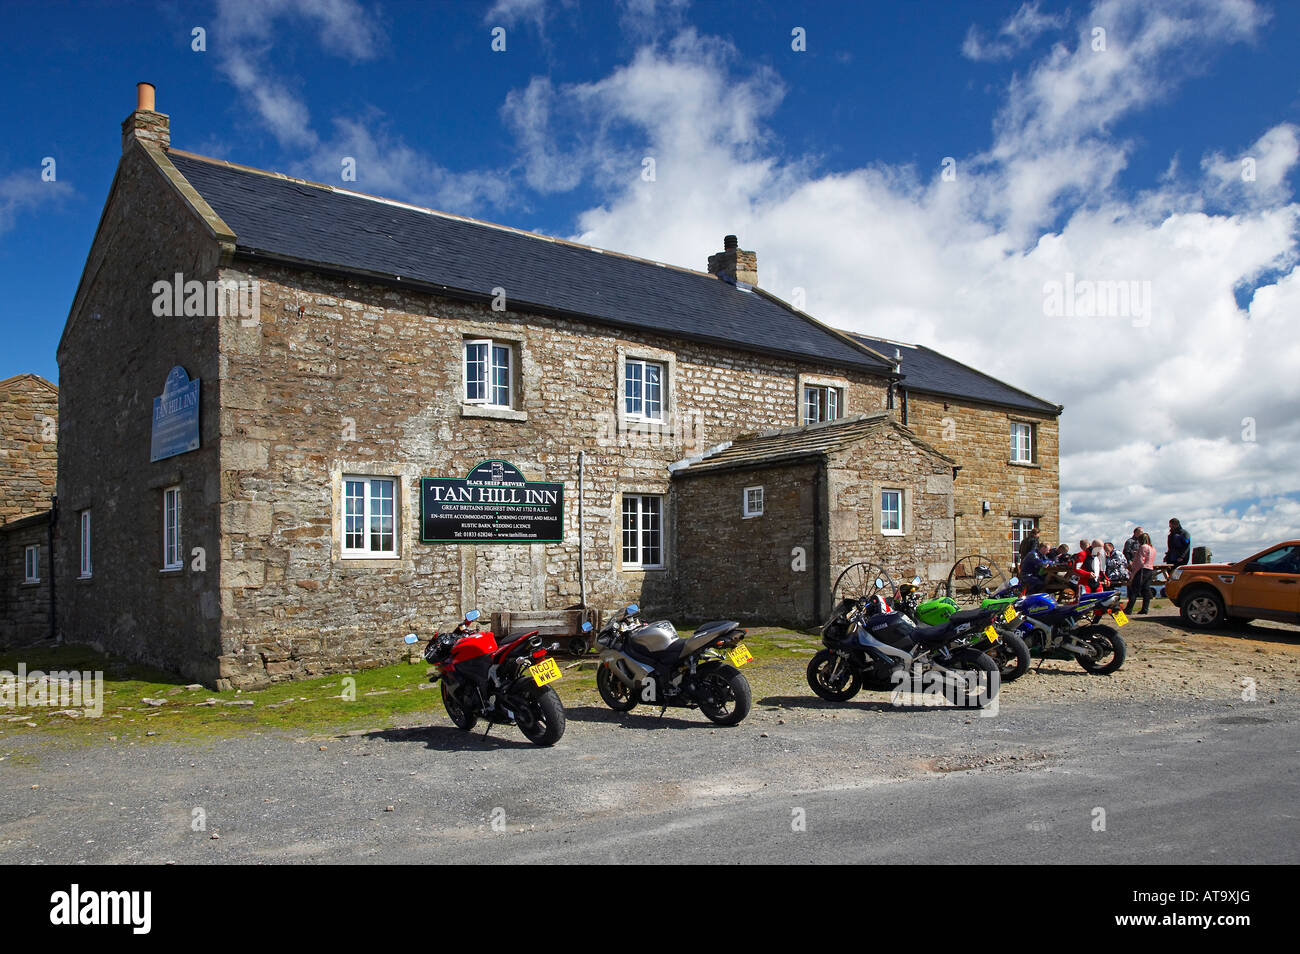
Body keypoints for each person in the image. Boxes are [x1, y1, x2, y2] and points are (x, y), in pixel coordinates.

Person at [1125, 532, 1156, 615]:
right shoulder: (1152, 548)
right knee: (1146, 589)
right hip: (1150, 569)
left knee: (1134, 590)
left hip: (1142, 569)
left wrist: (1133, 572)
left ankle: (1129, 609)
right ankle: (1145, 608)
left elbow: (1139, 561)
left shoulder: (1143, 547)